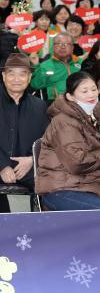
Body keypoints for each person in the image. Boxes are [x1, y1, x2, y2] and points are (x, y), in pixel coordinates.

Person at [0, 54, 49, 213]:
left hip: (26, 166)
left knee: (49, 185)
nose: (16, 79)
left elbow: (47, 139)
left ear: (29, 77)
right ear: (4, 76)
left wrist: (32, 159)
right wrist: (2, 165)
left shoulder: (39, 106)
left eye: (22, 74)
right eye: (11, 73)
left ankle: (44, 226)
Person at [36, 72, 100, 210]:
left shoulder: (94, 115)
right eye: (84, 91)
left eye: (94, 89)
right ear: (70, 97)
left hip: (90, 184)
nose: (91, 94)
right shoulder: (63, 121)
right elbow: (77, 163)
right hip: (62, 188)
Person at [31, 33, 82, 100]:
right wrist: (36, 66)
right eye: (59, 44)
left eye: (67, 44)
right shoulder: (45, 65)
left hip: (81, 101)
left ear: (72, 48)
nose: (63, 47)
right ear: (53, 47)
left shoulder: (80, 62)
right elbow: (35, 85)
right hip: (55, 102)